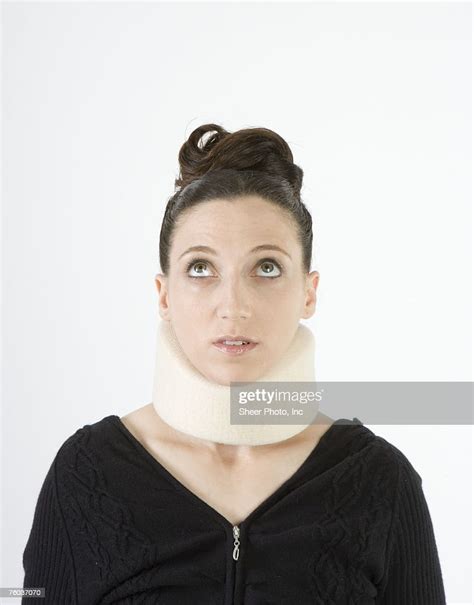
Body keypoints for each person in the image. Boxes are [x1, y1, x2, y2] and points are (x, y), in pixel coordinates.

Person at [22, 123, 446, 604]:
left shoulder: (379, 481)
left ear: (309, 292)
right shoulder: (86, 474)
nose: (233, 306)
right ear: (163, 295)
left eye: (266, 268)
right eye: (201, 268)